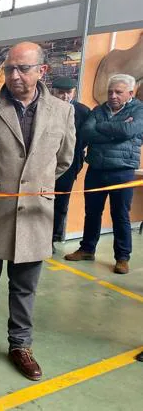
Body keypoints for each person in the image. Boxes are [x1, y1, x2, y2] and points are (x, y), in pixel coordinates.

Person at [0, 42, 75, 381]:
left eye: (23, 68)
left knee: (25, 287)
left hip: (35, 213)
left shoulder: (62, 112)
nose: (15, 75)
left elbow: (63, 160)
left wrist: (32, 185)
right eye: (10, 68)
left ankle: (20, 345)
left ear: (42, 71)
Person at [64, 74, 143, 274]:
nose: (113, 96)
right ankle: (87, 249)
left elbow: (129, 130)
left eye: (118, 92)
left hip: (122, 171)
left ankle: (122, 258)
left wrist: (104, 129)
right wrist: (117, 130)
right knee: (92, 213)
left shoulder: (139, 110)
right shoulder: (98, 110)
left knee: (120, 216)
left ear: (130, 93)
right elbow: (86, 133)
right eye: (110, 92)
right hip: (96, 170)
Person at [50, 77, 90, 249]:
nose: (65, 96)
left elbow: (85, 138)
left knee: (60, 203)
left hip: (69, 164)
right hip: (44, 163)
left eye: (68, 92)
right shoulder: (46, 109)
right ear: (53, 91)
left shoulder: (82, 111)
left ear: (73, 92)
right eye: (61, 92)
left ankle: (53, 237)